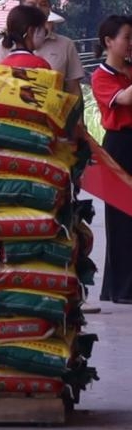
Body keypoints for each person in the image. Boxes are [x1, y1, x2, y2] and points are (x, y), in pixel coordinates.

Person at [90, 15, 132, 304]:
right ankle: (122, 288)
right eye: (127, 37)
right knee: (121, 216)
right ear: (109, 41)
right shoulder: (101, 76)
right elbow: (125, 100)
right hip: (119, 146)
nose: (130, 44)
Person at [0, 0, 84, 92]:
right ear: (21, 9)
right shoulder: (3, 45)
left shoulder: (66, 45)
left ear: (49, 9)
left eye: (43, 4)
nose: (37, 9)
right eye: (31, 5)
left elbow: (73, 88)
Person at [0, 2, 52, 71]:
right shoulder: (41, 65)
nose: (45, 33)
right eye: (42, 29)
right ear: (31, 31)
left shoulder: (2, 66)